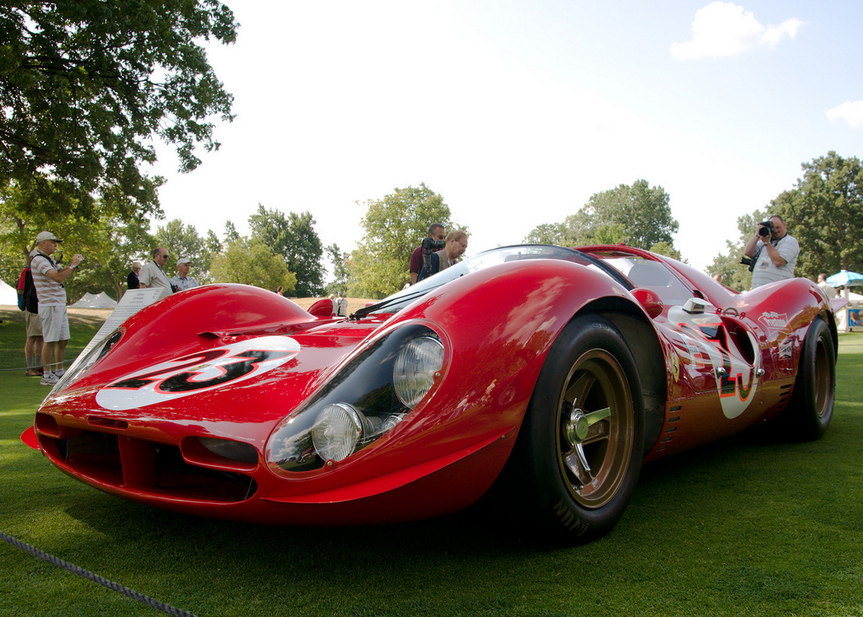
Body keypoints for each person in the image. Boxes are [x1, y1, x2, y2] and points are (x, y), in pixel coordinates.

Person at [29, 231, 84, 385]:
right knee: (50, 340)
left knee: (63, 339)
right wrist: (72, 265)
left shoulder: (49, 259)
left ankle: (59, 372)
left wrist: (71, 266)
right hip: (50, 304)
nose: (55, 245)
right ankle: (47, 375)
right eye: (53, 242)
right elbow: (58, 277)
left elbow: (61, 271)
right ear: (43, 243)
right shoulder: (39, 260)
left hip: (58, 303)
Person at [743, 215, 799, 289]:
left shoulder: (790, 241)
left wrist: (767, 243)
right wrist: (758, 234)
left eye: (778, 227)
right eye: (772, 228)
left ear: (784, 225)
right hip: (758, 291)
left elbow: (778, 262)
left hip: (777, 291)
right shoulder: (765, 242)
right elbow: (748, 252)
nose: (775, 230)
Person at [16, 250, 43, 376]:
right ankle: (30, 367)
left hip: (41, 307)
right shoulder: (28, 271)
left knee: (40, 338)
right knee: (31, 338)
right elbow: (20, 290)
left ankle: (39, 366)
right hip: (32, 308)